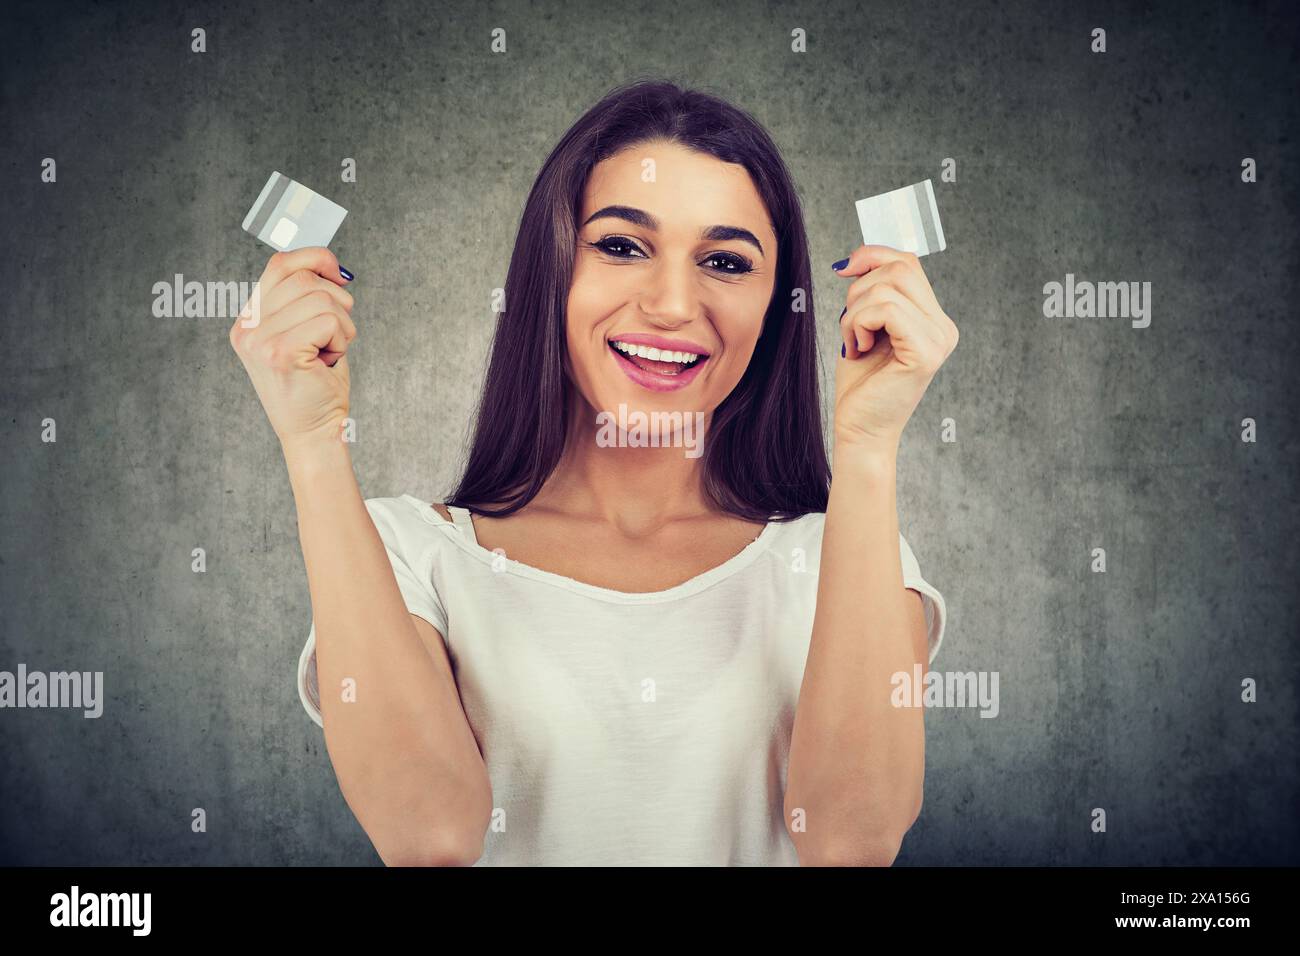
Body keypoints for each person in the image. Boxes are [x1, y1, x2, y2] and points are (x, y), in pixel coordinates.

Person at [229, 78, 959, 866]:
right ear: (550, 272)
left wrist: (868, 445)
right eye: (620, 246)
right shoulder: (407, 554)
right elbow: (429, 835)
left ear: (780, 306)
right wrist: (310, 441)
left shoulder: (845, 557)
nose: (674, 304)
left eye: (724, 260)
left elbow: (854, 840)